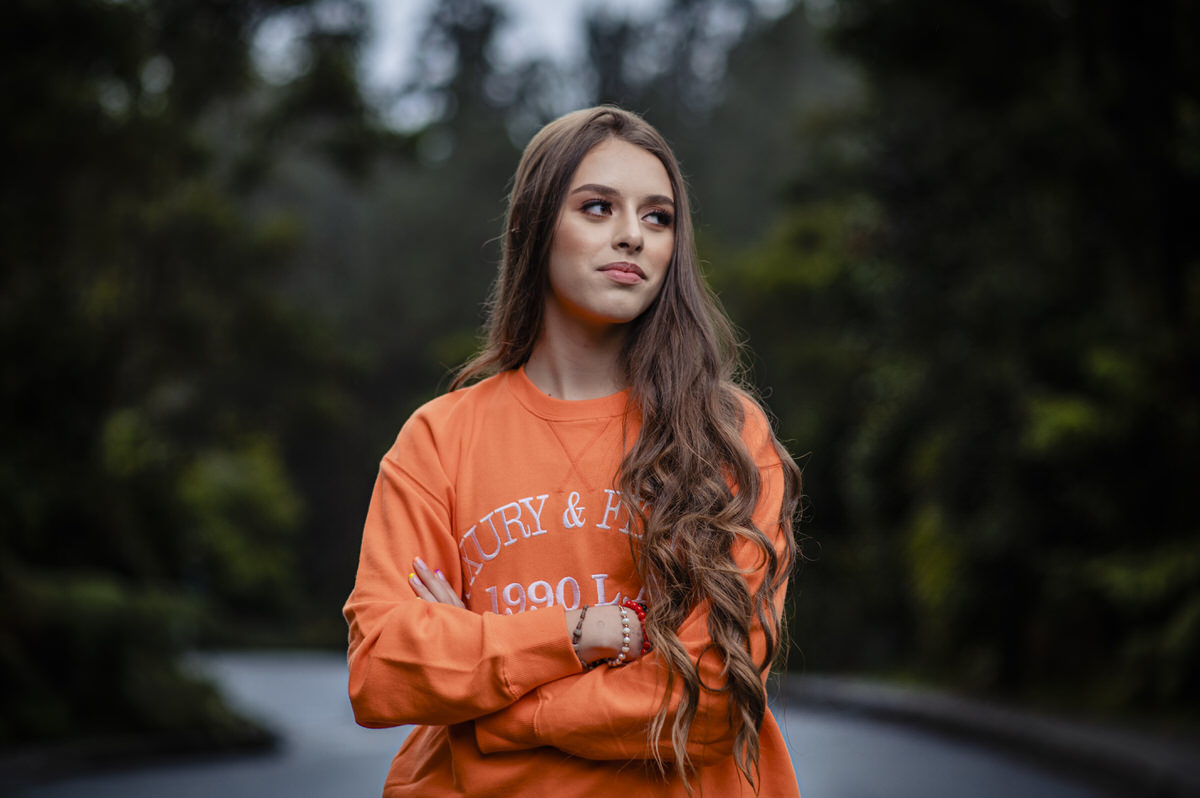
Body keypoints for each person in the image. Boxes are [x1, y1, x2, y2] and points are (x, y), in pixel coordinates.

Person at [343, 105, 803, 797]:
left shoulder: (725, 437)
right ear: (532, 229)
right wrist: (579, 632)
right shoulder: (440, 438)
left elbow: (712, 694)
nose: (631, 236)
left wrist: (491, 693)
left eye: (658, 218)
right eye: (597, 207)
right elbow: (382, 671)